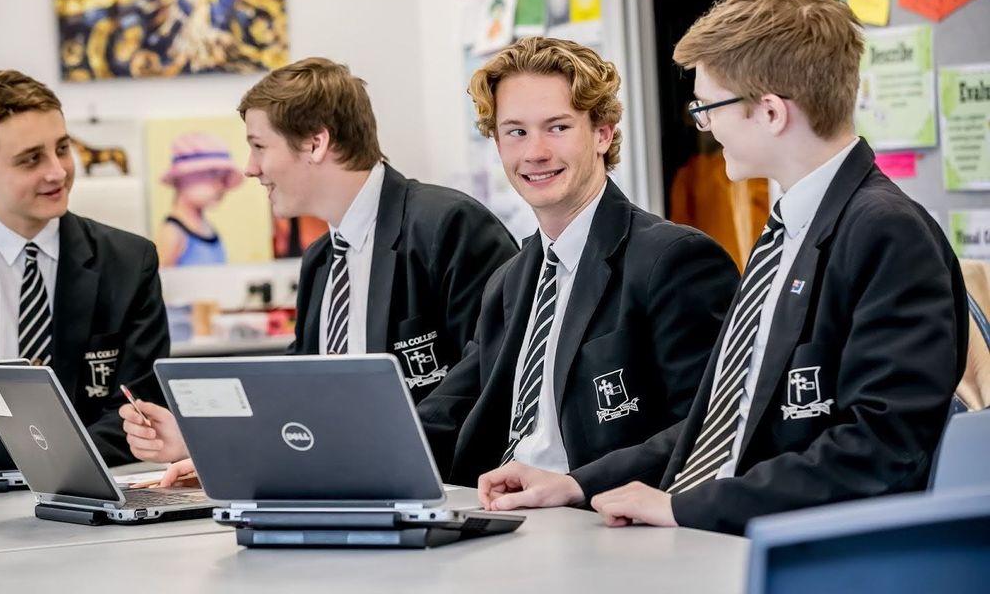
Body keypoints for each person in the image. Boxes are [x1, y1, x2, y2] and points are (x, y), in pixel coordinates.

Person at [475, 0, 968, 534]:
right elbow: (725, 419)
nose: (703, 126)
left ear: (771, 112)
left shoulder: (886, 232)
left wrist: (686, 508)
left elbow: (883, 448)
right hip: (720, 528)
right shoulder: (790, 231)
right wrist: (577, 484)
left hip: (803, 547)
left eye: (708, 107)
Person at [121, 57, 519, 473]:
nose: (250, 168)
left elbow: (486, 377)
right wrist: (205, 444)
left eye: (259, 146)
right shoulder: (321, 261)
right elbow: (298, 402)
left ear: (315, 144)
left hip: (446, 486)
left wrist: (363, 457)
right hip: (349, 486)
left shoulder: (448, 226)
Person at [417, 37, 739, 485]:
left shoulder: (674, 260)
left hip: (599, 512)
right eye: (516, 132)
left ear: (602, 133)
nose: (534, 153)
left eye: (557, 128)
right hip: (505, 505)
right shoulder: (510, 280)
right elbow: (448, 410)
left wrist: (574, 487)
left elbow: (710, 428)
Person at [0, 69, 170, 465]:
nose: (58, 171)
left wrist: (47, 465)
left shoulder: (130, 265)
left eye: (62, 148)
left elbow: (137, 410)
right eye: (31, 159)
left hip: (91, 484)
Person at [155, 131, 243, 266]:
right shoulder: (172, 233)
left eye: (223, 177)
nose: (220, 185)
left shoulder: (206, 227)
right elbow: (159, 278)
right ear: (181, 177)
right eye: (211, 174)